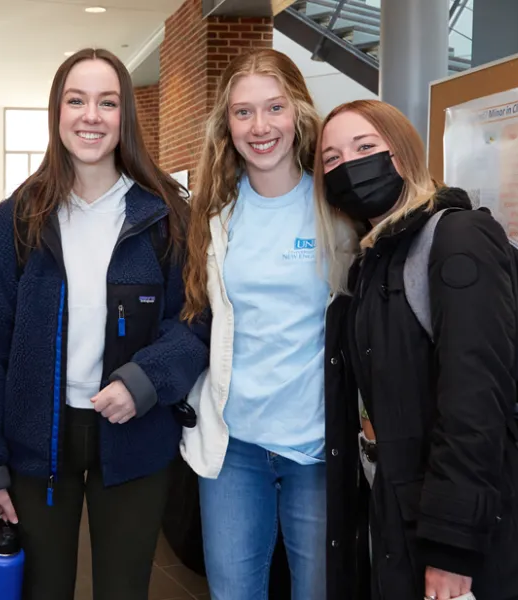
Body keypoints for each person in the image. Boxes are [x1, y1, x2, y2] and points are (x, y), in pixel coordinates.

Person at [0, 48, 209, 600]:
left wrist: (144, 381)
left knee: (124, 588)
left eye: (107, 102)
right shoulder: (17, 217)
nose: (90, 116)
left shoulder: (167, 215)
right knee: (42, 587)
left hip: (136, 433)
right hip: (36, 438)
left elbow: (195, 319)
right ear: (57, 113)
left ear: (126, 117)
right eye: (76, 101)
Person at [316, 99, 518, 600]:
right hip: (405, 523)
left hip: (473, 547)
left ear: (404, 152)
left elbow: (474, 404)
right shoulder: (374, 259)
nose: (348, 164)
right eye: (331, 159)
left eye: (365, 147)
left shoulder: (459, 237)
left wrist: (453, 552)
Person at [177, 48, 327, 600]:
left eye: (274, 108)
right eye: (243, 113)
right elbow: (196, 317)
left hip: (316, 444)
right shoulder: (215, 214)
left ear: (299, 114)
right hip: (233, 445)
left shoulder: (335, 205)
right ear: (227, 125)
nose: (260, 127)